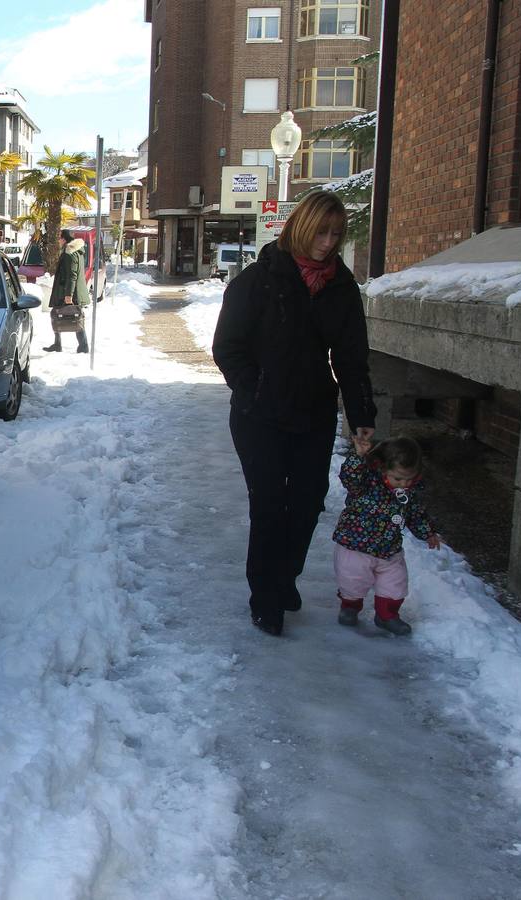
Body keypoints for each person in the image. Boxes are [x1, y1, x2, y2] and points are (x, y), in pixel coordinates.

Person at [212, 192, 377, 637]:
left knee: (306, 503)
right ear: (301, 227)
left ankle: (285, 579)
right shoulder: (258, 280)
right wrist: (256, 389)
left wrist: (362, 416)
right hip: (258, 415)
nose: (328, 243)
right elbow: (228, 347)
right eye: (321, 232)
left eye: (336, 235)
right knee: (269, 504)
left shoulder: (341, 288)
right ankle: (265, 597)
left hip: (313, 411)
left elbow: (351, 358)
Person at [332, 435, 440, 635]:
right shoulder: (366, 482)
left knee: (395, 584)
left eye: (410, 479)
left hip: (389, 549)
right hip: (355, 546)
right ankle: (350, 606)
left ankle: (386, 615)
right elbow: (350, 478)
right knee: (352, 581)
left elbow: (415, 515)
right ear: (383, 468)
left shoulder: (409, 492)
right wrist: (358, 457)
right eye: (398, 478)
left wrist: (428, 533)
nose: (403, 484)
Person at [44, 229, 90, 353]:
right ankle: (60, 344)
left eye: (60, 237)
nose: (59, 240)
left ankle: (83, 346)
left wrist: (68, 294)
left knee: (75, 316)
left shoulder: (70, 252)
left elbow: (72, 275)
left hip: (69, 292)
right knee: (65, 314)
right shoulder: (76, 251)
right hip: (69, 291)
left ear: (64, 239)